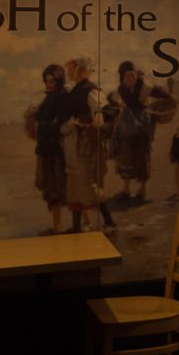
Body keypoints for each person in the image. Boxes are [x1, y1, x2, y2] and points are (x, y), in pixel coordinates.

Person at [60, 56, 114, 233]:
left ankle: (109, 221)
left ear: (80, 70)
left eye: (71, 69)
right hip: (72, 143)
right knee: (74, 184)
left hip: (85, 144)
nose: (68, 72)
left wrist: (89, 125)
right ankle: (76, 226)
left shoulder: (91, 91)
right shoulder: (74, 89)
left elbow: (103, 115)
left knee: (87, 184)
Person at [109, 61, 170, 202]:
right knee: (126, 155)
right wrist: (117, 107)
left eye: (133, 75)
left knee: (142, 155)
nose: (131, 78)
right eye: (127, 76)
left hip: (143, 124)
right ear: (122, 77)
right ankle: (126, 189)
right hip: (126, 125)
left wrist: (158, 108)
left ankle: (142, 190)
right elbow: (110, 98)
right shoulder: (121, 89)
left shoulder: (144, 86)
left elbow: (161, 94)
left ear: (136, 74)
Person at [25, 63, 67, 234]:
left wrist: (38, 120)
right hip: (45, 148)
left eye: (52, 81)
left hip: (56, 150)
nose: (48, 85)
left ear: (59, 81)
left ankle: (57, 226)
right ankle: (56, 224)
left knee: (56, 188)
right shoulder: (48, 98)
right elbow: (42, 120)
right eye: (46, 81)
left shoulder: (61, 99)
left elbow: (56, 127)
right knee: (50, 188)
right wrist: (33, 114)